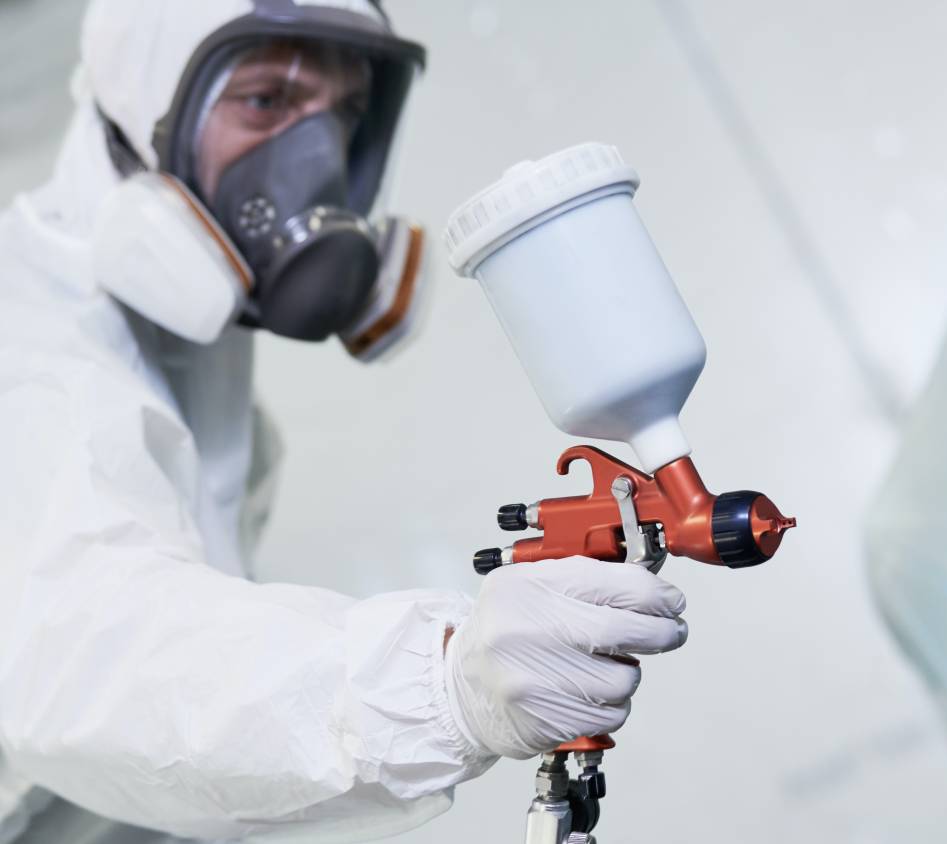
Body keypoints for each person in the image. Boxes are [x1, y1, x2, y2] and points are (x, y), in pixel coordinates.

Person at [0, 1, 688, 841]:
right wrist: (438, 687)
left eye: (346, 113)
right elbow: (91, 656)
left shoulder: (188, 358)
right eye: (263, 102)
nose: (316, 162)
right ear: (142, 118)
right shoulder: (23, 335)